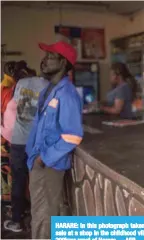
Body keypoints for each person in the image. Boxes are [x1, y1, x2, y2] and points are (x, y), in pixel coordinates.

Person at [25, 41, 83, 239]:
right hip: (37, 160)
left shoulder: (67, 94)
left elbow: (73, 135)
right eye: (46, 56)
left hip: (49, 165)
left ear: (64, 63)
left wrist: (44, 158)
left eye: (51, 57)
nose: (44, 61)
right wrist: (32, 154)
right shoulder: (47, 91)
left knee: (44, 216)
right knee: (40, 213)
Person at [3, 67, 48, 232]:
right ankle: (38, 222)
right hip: (37, 141)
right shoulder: (47, 84)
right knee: (38, 181)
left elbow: (16, 107)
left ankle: (17, 220)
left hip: (19, 140)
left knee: (18, 180)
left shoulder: (20, 84)